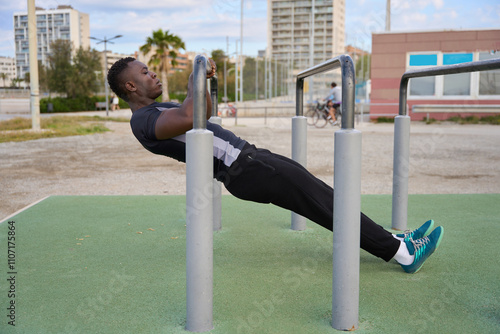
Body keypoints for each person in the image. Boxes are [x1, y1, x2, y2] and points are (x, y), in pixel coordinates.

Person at [107, 57, 444, 274]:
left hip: (250, 159)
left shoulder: (156, 107)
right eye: (146, 72)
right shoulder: (144, 122)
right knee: (325, 204)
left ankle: (393, 240)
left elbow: (203, 112)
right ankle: (402, 253)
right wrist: (196, 74)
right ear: (131, 86)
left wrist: (206, 80)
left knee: (325, 198)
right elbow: (187, 116)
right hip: (244, 170)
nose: (153, 74)